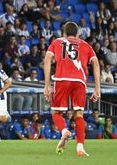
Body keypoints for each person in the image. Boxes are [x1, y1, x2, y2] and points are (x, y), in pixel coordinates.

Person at [43, 22, 101, 156]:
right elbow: (96, 63)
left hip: (62, 79)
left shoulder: (57, 42)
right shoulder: (85, 45)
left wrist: (47, 85)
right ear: (78, 34)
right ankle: (80, 147)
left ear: (63, 34)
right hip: (80, 81)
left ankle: (64, 131)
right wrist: (97, 88)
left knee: (56, 113)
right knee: (79, 114)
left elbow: (47, 60)